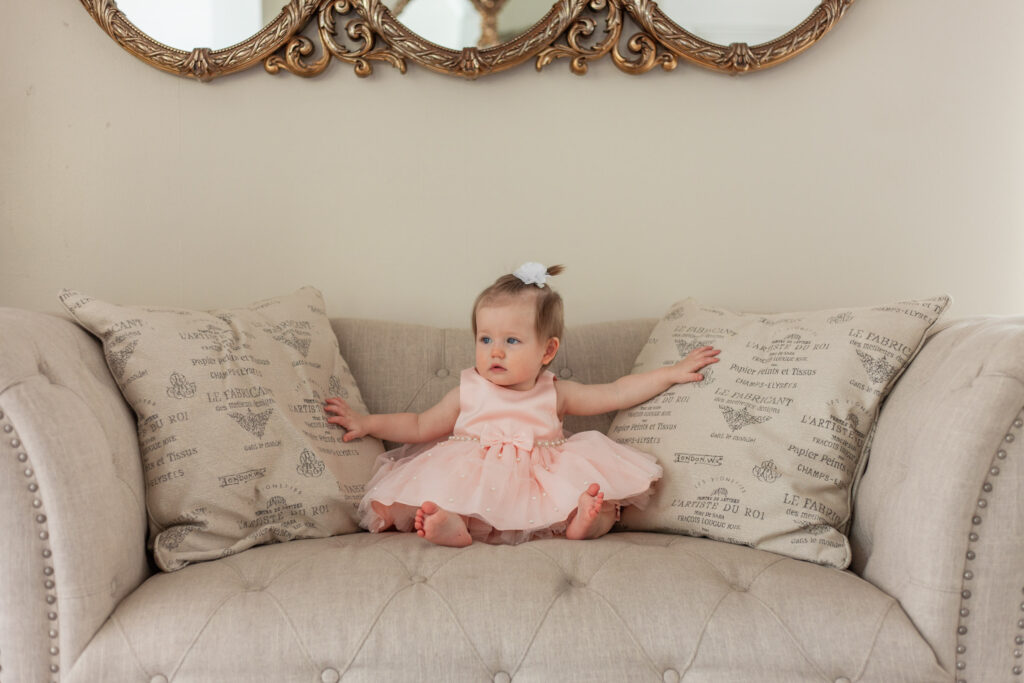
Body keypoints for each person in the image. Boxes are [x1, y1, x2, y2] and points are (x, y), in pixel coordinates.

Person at [324, 262, 720, 547]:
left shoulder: (555, 392)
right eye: (485, 339)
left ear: (548, 351)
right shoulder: (468, 388)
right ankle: (453, 528)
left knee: (592, 499)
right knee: (451, 491)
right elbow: (418, 425)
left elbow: (615, 392)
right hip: (473, 475)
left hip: (538, 478)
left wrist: (670, 373)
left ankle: (586, 521)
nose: (495, 351)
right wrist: (369, 422)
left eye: (511, 341)